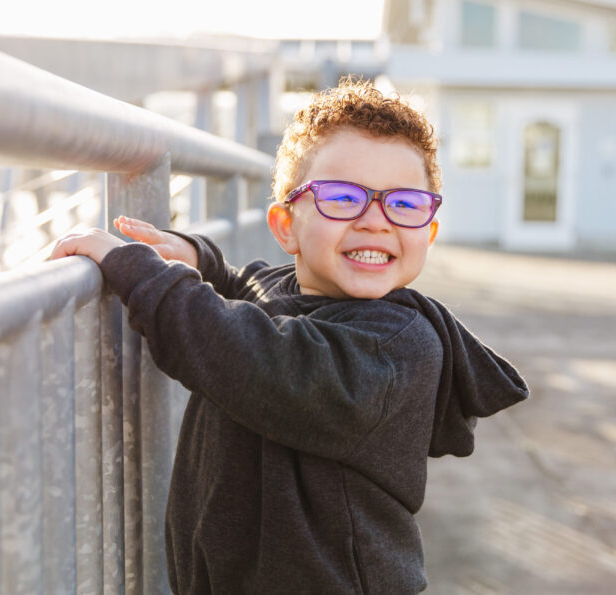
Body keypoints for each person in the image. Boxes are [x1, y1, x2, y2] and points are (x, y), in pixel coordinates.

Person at [49, 78, 528, 594]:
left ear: (428, 232)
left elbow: (260, 359)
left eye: (405, 205)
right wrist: (200, 261)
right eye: (342, 198)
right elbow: (249, 288)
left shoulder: (398, 348)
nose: (376, 222)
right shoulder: (294, 292)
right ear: (285, 227)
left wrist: (141, 275)